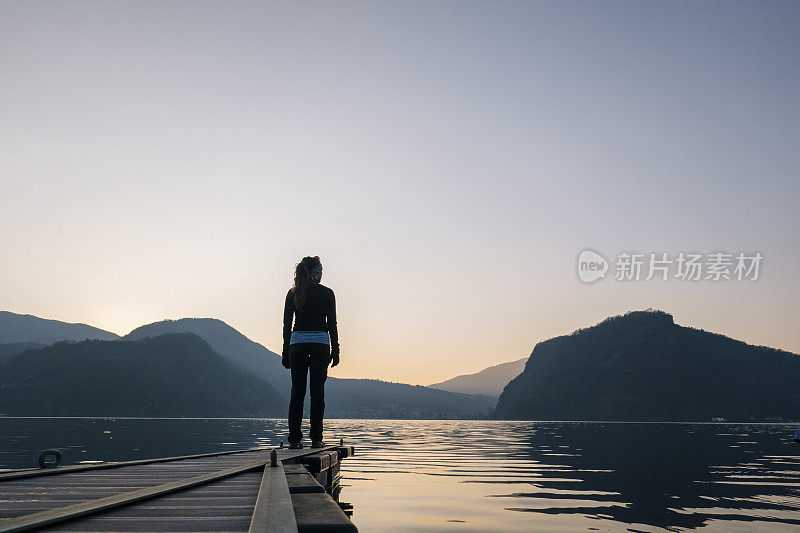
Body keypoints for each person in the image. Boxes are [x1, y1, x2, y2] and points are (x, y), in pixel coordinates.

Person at [282, 255, 339, 449]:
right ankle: (316, 439)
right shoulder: (327, 293)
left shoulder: (293, 293)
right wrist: (336, 349)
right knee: (317, 393)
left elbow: (287, 325)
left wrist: (285, 351)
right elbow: (332, 323)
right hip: (320, 346)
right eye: (321, 271)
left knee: (297, 393)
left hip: (296, 345)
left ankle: (294, 440)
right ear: (317, 273)